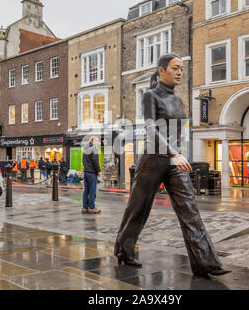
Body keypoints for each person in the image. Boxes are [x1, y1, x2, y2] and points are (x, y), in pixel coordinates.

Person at [114, 53, 230, 277]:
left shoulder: (177, 100)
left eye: (182, 69)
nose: (179, 72)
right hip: (153, 160)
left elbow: (179, 131)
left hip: (174, 161)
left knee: (190, 211)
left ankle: (205, 262)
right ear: (161, 70)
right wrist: (174, 153)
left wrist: (178, 153)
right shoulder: (150, 96)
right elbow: (150, 129)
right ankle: (124, 250)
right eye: (175, 68)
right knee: (138, 209)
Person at [82, 137, 101, 214]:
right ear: (92, 141)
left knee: (86, 190)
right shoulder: (94, 149)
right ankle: (92, 207)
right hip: (92, 172)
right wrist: (98, 170)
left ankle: (85, 207)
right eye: (97, 141)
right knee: (92, 190)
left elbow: (83, 160)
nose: (98, 142)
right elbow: (95, 161)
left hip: (86, 172)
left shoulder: (85, 149)